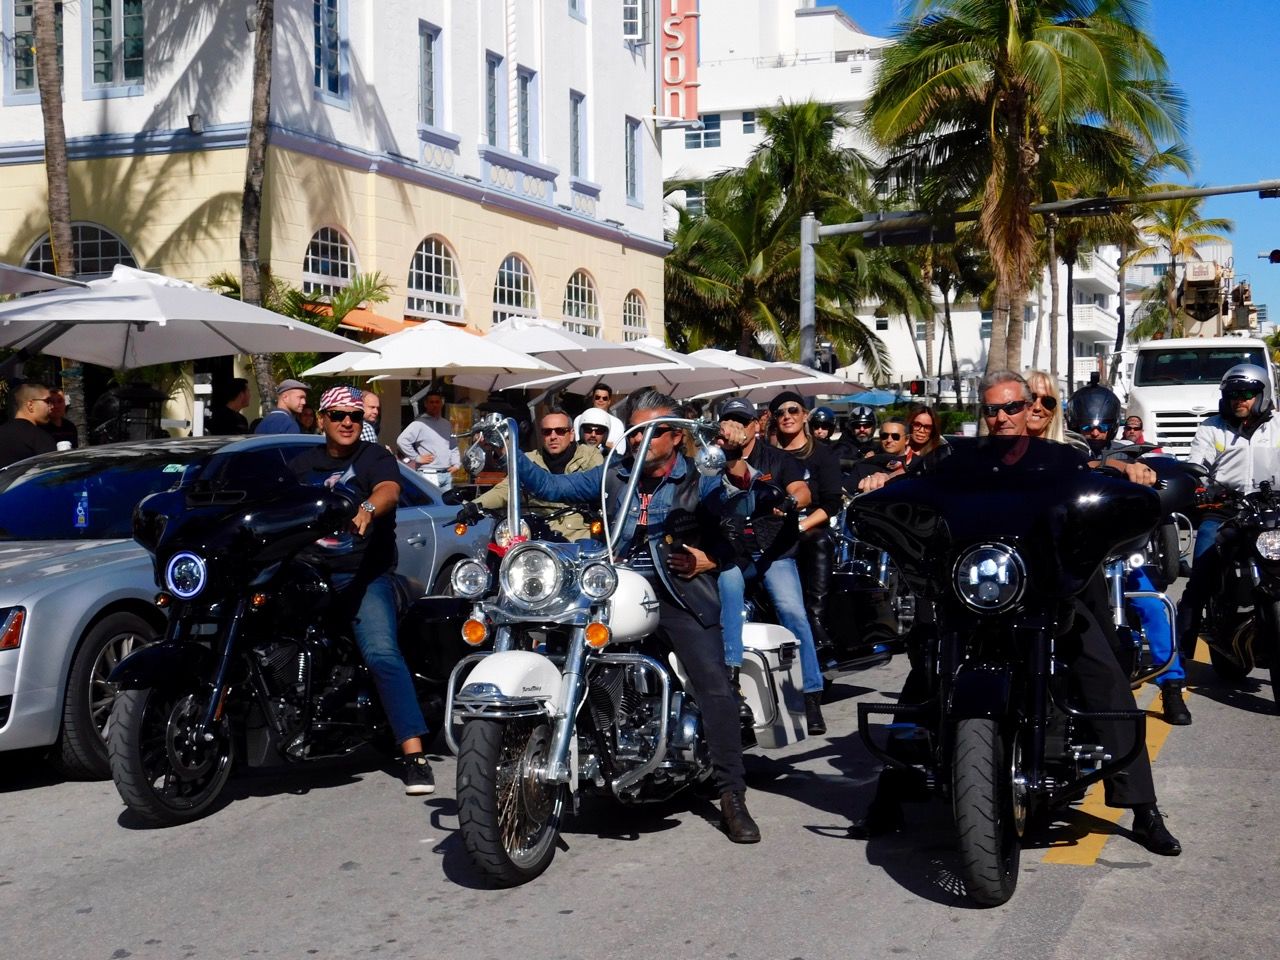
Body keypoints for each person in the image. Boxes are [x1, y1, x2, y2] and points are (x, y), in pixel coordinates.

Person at [852, 371, 1181, 856]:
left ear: (1030, 409)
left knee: (1102, 675)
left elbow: (1098, 478)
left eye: (1011, 407)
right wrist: (886, 479)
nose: (1001, 417)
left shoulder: (1062, 459)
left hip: (1051, 594)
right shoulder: (957, 458)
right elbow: (919, 480)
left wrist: (1134, 473)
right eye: (991, 409)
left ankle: (1143, 808)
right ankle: (889, 793)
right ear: (982, 413)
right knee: (924, 675)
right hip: (979, 590)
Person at [508, 389, 761, 844]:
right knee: (560, 645)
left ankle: (731, 794)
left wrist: (735, 458)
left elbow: (738, 506)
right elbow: (550, 486)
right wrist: (508, 442)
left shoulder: (697, 473)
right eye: (638, 430)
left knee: (712, 685)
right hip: (615, 587)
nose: (646, 439)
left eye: (657, 431)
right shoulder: (613, 474)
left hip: (677, 591)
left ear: (677, 436)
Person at [289, 386, 434, 796]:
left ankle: (414, 754)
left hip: (363, 575)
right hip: (307, 573)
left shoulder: (374, 458)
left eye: (355, 415)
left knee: (381, 653)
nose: (348, 422)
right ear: (322, 420)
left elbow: (388, 489)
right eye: (338, 416)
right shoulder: (302, 465)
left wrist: (367, 508)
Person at [1066, 383, 1191, 726]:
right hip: (1081, 554)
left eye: (1103, 426)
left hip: (1123, 552)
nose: (1095, 432)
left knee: (1153, 605)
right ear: (1074, 423)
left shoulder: (1131, 453)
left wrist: (1158, 473)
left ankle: (1172, 687)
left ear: (1114, 425)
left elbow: (1162, 468)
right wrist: (1114, 469)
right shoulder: (1065, 452)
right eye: (1088, 426)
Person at [715, 397, 827, 735]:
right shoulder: (712, 460)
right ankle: (729, 679)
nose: (736, 426)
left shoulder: (777, 459)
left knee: (792, 611)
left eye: (743, 420)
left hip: (773, 552)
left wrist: (790, 502)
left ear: (756, 425)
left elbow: (802, 490)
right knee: (725, 589)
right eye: (729, 419)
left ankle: (811, 694)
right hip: (733, 552)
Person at [1178, 363, 1280, 651]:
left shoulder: (1279, 425)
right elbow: (1197, 465)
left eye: (1247, 393)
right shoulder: (1211, 428)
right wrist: (1199, 484)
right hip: (1226, 509)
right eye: (1234, 393)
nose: (1240, 399)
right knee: (1200, 577)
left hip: (1272, 507)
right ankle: (1178, 666)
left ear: (1263, 394)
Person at [768, 391, 843, 668]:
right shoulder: (769, 455)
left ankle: (816, 618)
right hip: (770, 528)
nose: (787, 416)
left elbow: (832, 502)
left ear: (804, 415)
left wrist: (801, 524)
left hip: (810, 525)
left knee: (818, 541)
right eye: (780, 413)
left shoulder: (821, 454)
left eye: (793, 410)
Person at [459, 408, 604, 540]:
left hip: (577, 537)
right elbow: (505, 489)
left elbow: (598, 491)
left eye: (560, 431)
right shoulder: (529, 459)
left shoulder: (590, 456)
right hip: (534, 534)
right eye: (547, 432)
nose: (553, 436)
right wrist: (475, 505)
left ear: (571, 434)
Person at [397, 388, 461, 480]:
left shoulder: (446, 424)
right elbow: (402, 441)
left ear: (441, 404)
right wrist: (417, 457)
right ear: (426, 404)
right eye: (431, 402)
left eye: (437, 402)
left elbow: (453, 445)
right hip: (428, 473)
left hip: (446, 473)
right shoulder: (420, 423)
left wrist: (456, 464)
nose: (434, 405)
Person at [0, 380, 57, 468]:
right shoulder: (39, 438)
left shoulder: (3, 431)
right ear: (30, 405)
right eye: (48, 401)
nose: (52, 406)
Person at [572, 382, 625, 449]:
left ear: (609, 401)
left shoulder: (617, 423)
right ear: (593, 399)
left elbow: (620, 450)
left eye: (604, 398)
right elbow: (577, 443)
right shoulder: (579, 419)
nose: (601, 400)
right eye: (597, 397)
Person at [1024, 369, 1066, 443]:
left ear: (1054, 412)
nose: (1037, 407)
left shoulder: (1071, 452)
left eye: (1047, 401)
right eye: (1031, 398)